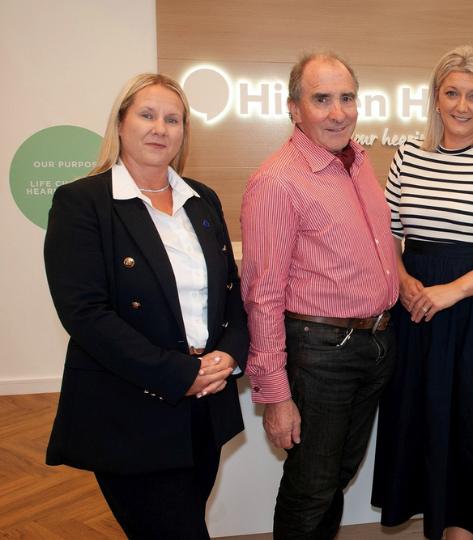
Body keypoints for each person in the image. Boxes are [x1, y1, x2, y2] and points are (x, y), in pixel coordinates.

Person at [43, 73, 248, 540]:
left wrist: (231, 353)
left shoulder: (202, 200)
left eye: (172, 119)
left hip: (205, 407)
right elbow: (85, 314)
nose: (160, 128)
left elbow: (232, 293)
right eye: (147, 115)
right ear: (120, 124)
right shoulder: (82, 202)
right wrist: (180, 373)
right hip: (131, 414)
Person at [371, 45, 473, 540]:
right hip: (418, 316)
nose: (461, 106)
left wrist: (453, 291)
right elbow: (388, 234)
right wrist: (403, 281)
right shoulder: (407, 157)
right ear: (436, 98)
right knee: (424, 431)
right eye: (452, 93)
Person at [240, 51, 398, 540]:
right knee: (311, 488)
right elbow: (261, 295)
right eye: (321, 99)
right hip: (319, 354)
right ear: (294, 108)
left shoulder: (358, 163)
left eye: (347, 97)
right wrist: (275, 394)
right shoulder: (276, 180)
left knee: (333, 480)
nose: (338, 112)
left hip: (374, 346)